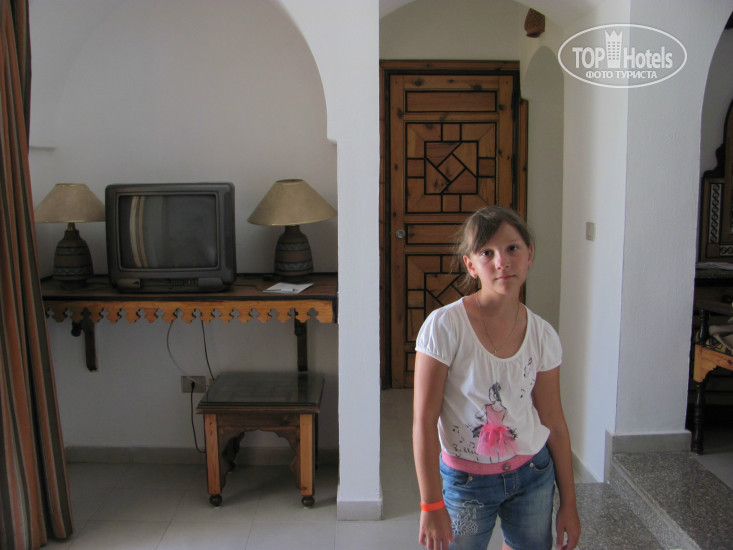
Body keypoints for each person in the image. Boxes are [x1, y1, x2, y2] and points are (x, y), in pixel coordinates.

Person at [413, 206, 581, 550]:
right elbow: (424, 421)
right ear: (471, 265)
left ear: (529, 255)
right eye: (487, 253)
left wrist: (569, 502)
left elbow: (554, 422)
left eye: (512, 248)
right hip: (466, 482)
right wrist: (431, 503)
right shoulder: (444, 327)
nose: (502, 261)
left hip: (533, 475)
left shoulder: (543, 335)